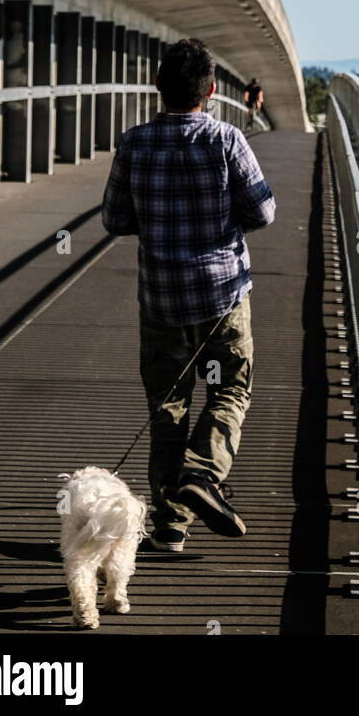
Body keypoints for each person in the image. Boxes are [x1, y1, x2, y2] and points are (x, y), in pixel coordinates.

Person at [101, 38, 275, 552]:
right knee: (231, 390)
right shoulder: (226, 141)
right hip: (223, 296)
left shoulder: (134, 143)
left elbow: (114, 219)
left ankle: (170, 527)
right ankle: (204, 473)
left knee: (168, 407)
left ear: (158, 86)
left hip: (161, 301)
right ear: (214, 91)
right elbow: (263, 212)